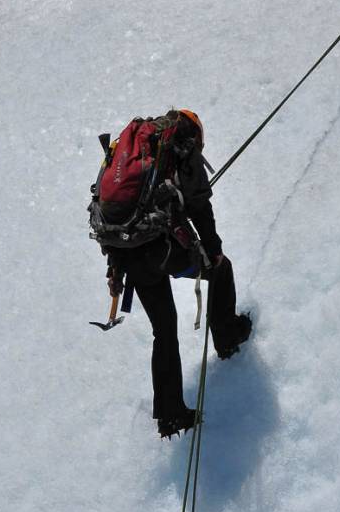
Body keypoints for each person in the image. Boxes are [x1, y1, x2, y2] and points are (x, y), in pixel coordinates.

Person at [104, 109, 251, 439]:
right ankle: (227, 339)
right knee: (220, 270)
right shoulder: (182, 147)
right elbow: (199, 206)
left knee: (164, 331)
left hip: (128, 254)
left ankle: (170, 415)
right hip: (162, 250)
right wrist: (212, 250)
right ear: (195, 133)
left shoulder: (134, 151)